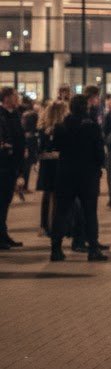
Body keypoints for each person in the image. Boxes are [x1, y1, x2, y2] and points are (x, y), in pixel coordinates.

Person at [50, 94, 106, 262]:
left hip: (65, 174)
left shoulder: (61, 126)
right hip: (88, 175)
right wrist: (99, 166)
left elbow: (56, 146)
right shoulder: (92, 126)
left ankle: (56, 249)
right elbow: (99, 151)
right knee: (90, 212)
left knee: (61, 212)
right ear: (86, 107)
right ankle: (93, 249)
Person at [36, 99, 67, 237]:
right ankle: (57, 226)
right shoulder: (62, 128)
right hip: (57, 165)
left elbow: (39, 149)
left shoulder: (42, 128)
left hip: (46, 165)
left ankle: (45, 225)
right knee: (58, 196)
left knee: (47, 195)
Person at [0, 86, 26, 248]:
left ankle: (3, 234)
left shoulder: (14, 114)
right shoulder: (1, 115)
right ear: (7, 97)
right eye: (15, 96)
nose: (17, 99)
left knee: (6, 201)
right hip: (3, 164)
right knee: (1, 201)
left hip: (12, 164)